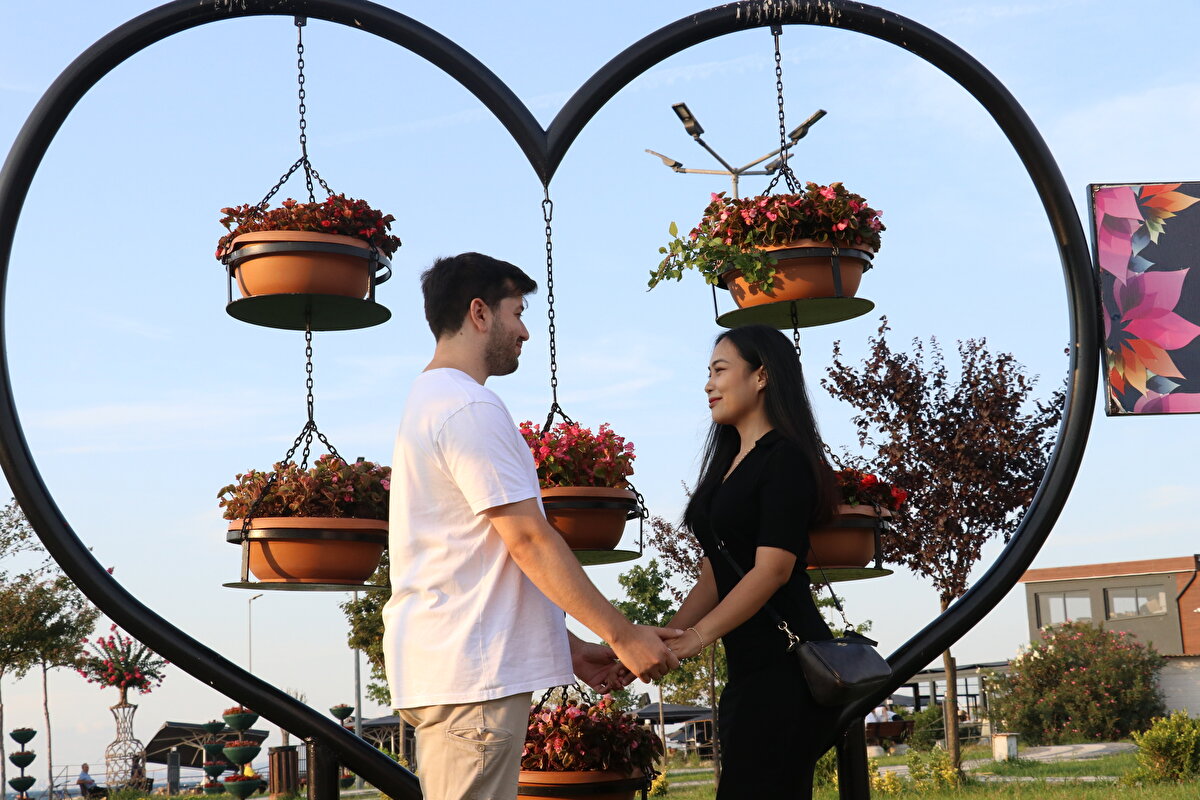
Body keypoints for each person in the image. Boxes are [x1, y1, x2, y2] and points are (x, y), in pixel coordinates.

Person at [381, 253, 681, 800]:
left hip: (462, 676)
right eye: (517, 313)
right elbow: (527, 540)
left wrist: (571, 649)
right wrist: (622, 635)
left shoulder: (432, 402)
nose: (524, 332)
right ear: (479, 313)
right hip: (472, 684)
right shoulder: (468, 406)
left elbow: (476, 559)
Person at [661, 324, 840, 799]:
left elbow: (772, 570)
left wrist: (696, 638)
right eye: (708, 373)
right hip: (749, 673)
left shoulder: (785, 459)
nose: (709, 384)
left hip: (787, 672)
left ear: (761, 376)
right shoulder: (728, 463)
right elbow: (714, 574)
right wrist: (667, 641)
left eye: (720, 370)